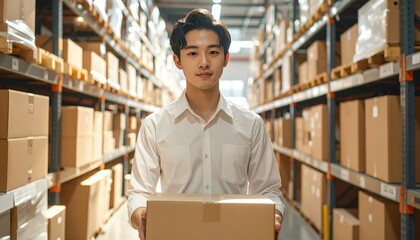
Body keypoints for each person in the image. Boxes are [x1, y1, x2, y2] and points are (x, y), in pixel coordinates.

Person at [128, 8, 285, 240]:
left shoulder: (251, 125)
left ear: (226, 59)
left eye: (213, 52)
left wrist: (273, 215)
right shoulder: (155, 126)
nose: (203, 63)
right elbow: (139, 192)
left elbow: (269, 190)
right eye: (192, 54)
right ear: (177, 61)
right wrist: (141, 214)